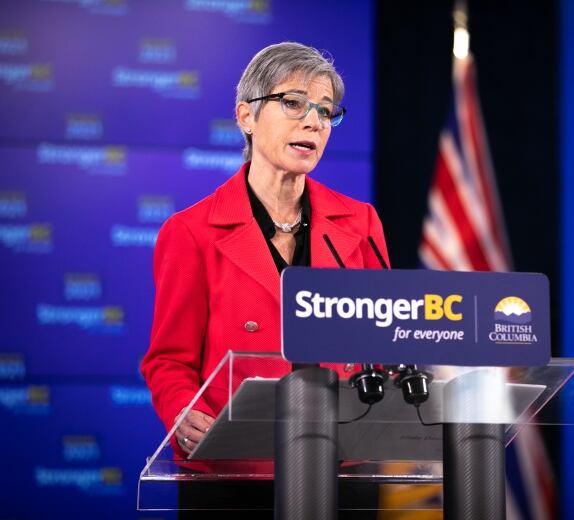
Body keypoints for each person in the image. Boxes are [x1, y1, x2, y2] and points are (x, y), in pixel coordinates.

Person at [141, 41, 389, 466]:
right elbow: (169, 361)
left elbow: (383, 346)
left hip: (342, 465)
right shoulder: (191, 233)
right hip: (236, 466)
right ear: (246, 116)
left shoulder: (360, 223)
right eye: (293, 103)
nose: (314, 122)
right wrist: (183, 410)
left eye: (325, 111)